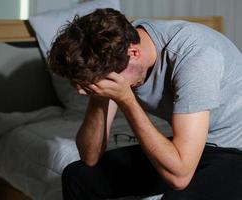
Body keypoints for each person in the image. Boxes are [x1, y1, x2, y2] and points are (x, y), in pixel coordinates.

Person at [47, 8, 242, 200]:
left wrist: (126, 100)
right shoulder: (114, 48)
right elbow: (90, 157)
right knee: (78, 177)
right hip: (192, 145)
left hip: (235, 148)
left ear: (134, 53)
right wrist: (98, 97)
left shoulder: (196, 59)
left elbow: (180, 177)